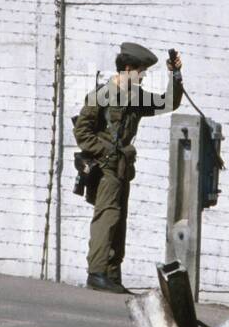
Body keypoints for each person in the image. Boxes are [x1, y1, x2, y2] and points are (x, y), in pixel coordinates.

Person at [73, 42, 183, 293]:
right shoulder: (102, 95)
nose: (143, 76)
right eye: (141, 70)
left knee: (119, 220)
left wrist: (174, 75)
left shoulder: (135, 97)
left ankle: (112, 275)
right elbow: (82, 131)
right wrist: (105, 153)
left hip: (122, 167)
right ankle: (97, 272)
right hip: (105, 168)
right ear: (128, 68)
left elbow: (169, 103)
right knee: (107, 216)